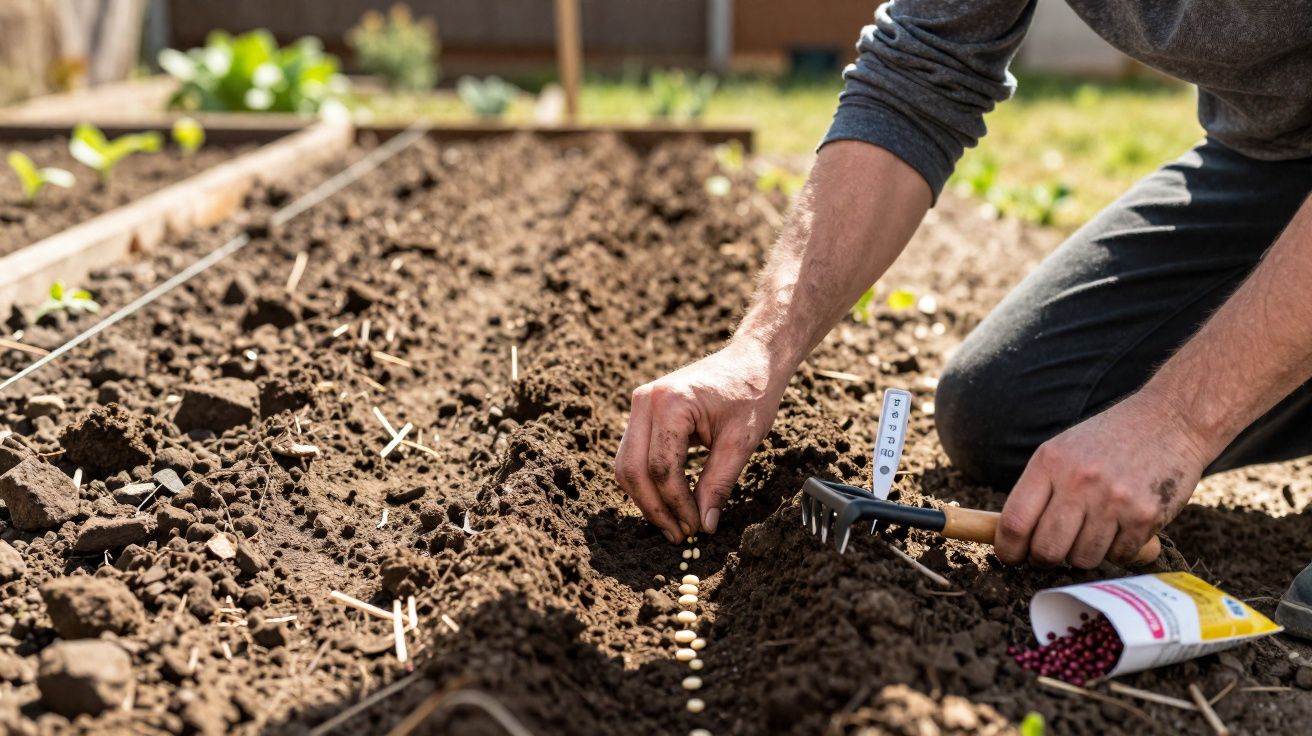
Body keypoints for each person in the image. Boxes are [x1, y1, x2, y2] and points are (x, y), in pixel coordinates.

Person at [613, 1, 1312, 636]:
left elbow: (1172, 422)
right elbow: (919, 77)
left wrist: (1177, 420)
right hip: (1270, 161)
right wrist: (760, 350)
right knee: (1011, 409)